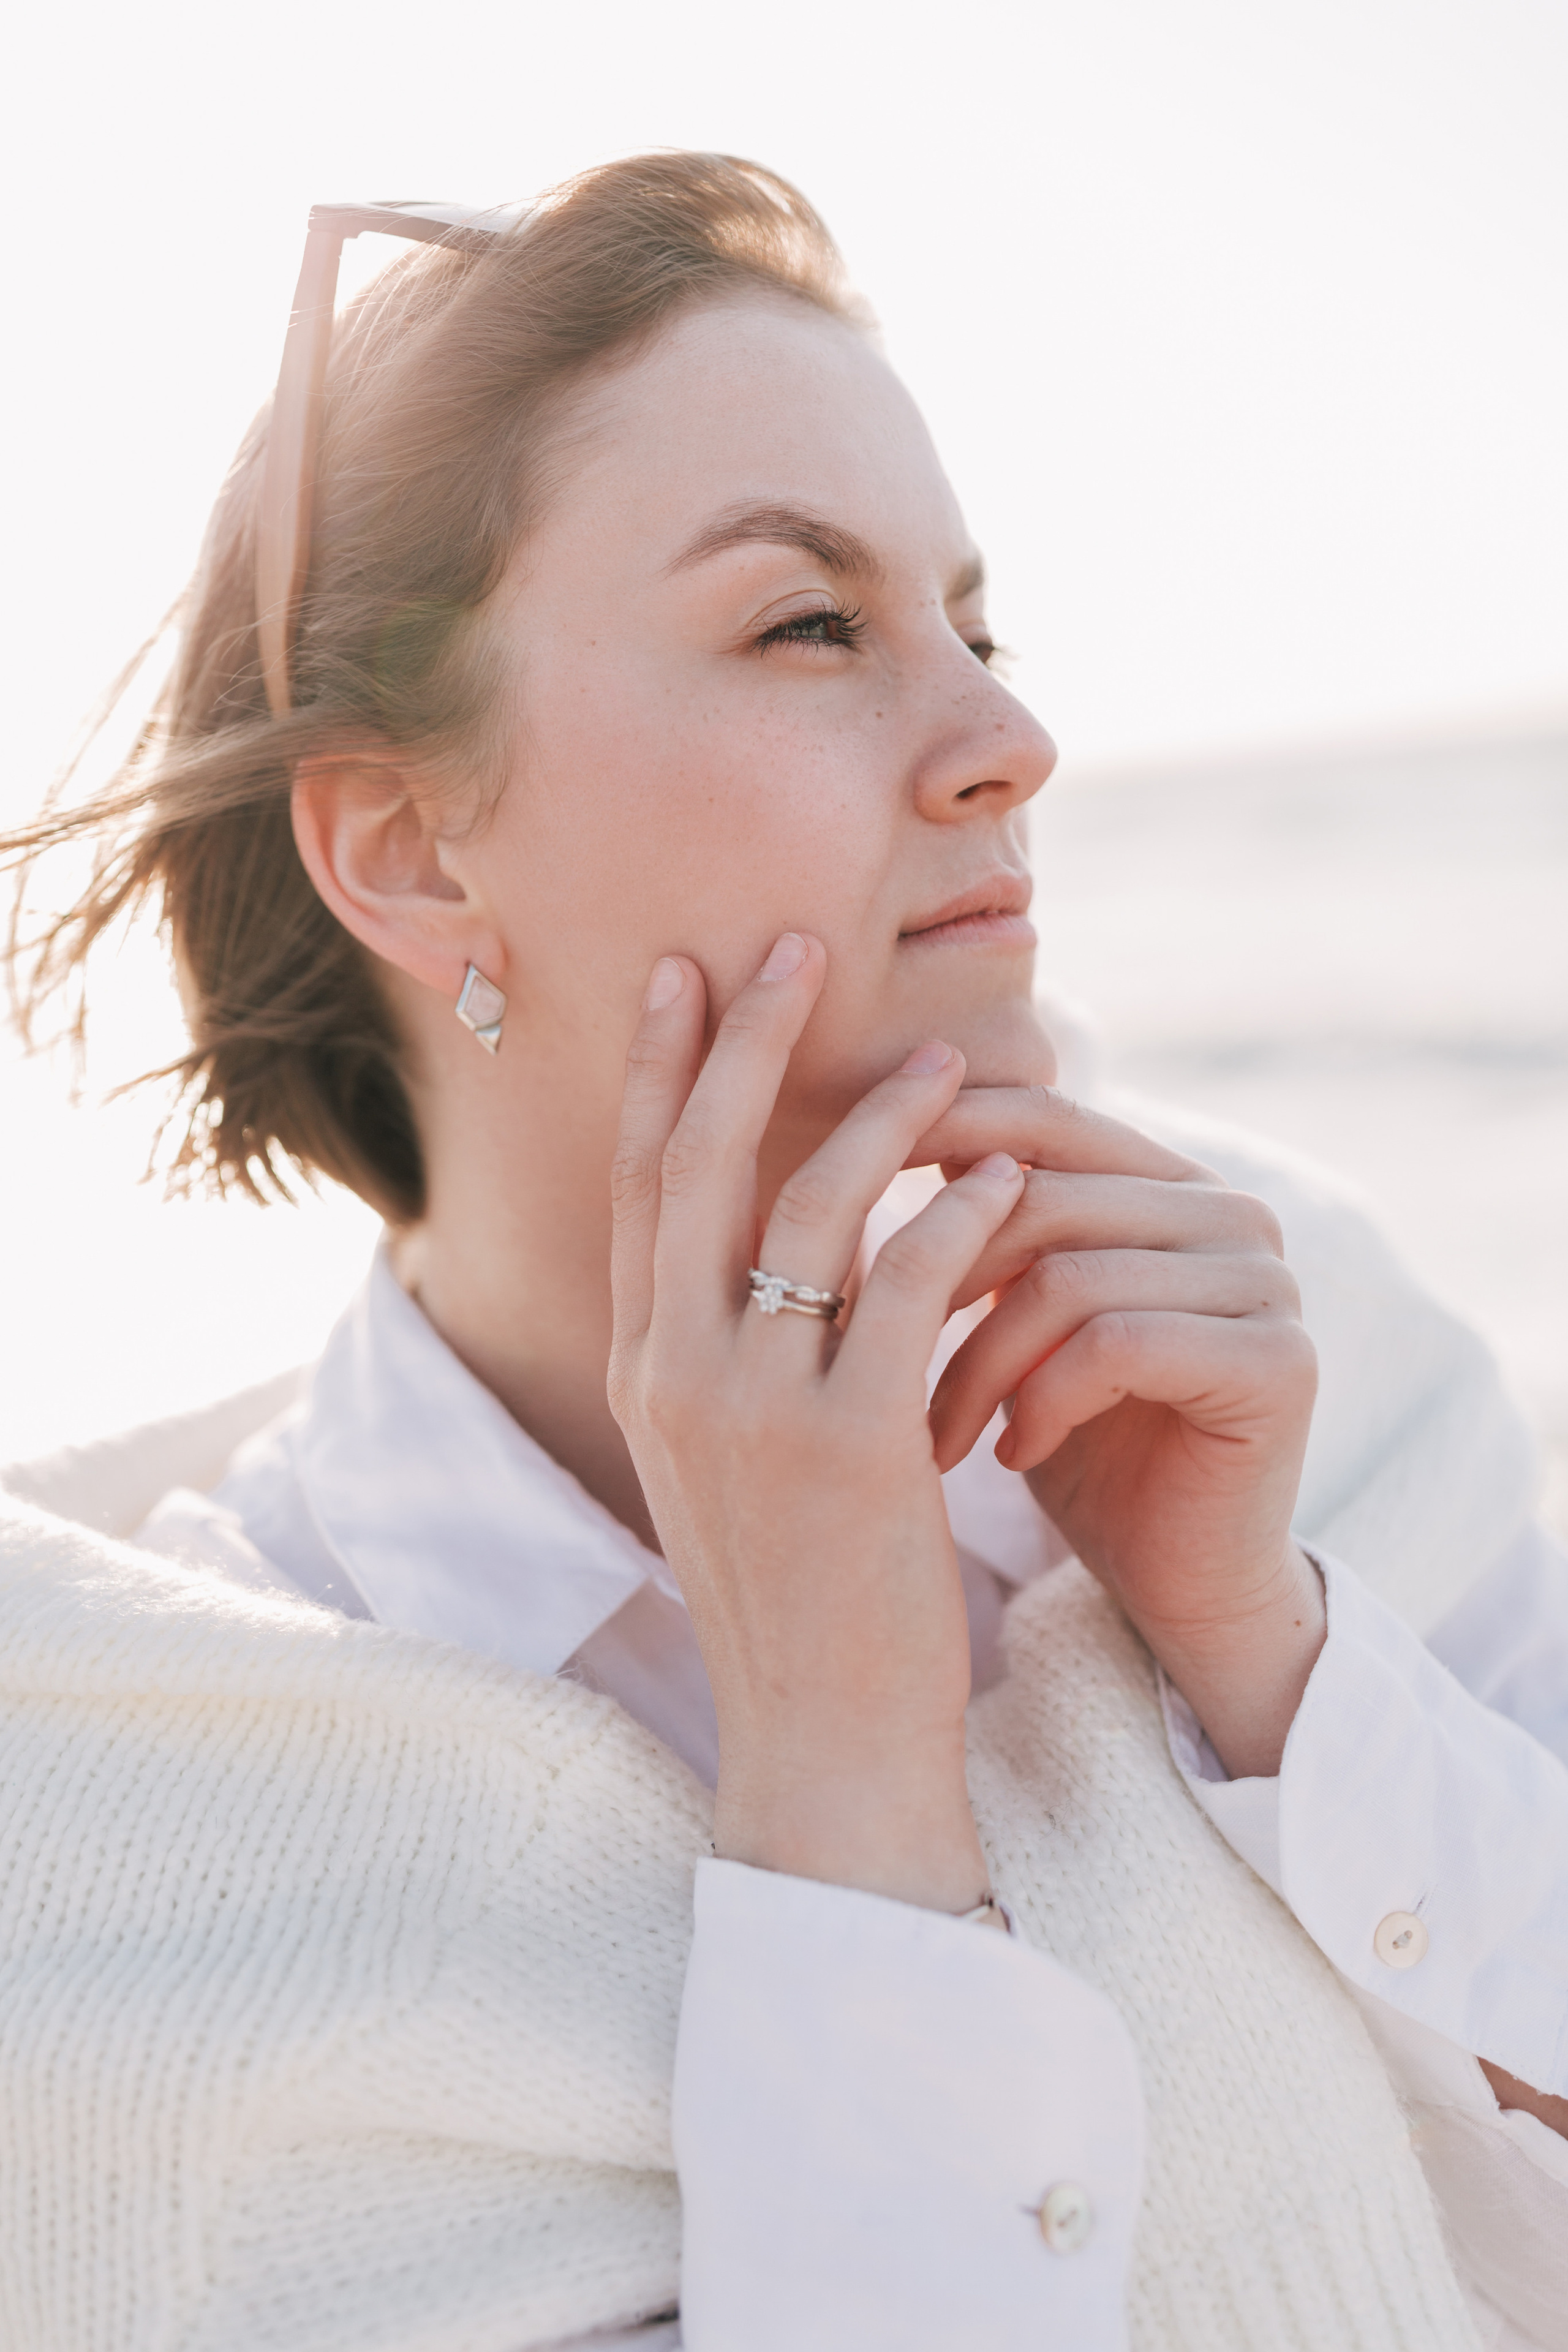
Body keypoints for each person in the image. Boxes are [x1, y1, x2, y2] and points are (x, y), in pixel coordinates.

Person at [1, 151, 1564, 2352]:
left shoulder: (1298, 1338)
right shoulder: (170, 1846)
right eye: (810, 623)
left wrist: (1274, 1653)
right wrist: (838, 1776)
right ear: (409, 844)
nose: (1012, 743)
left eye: (976, 624)